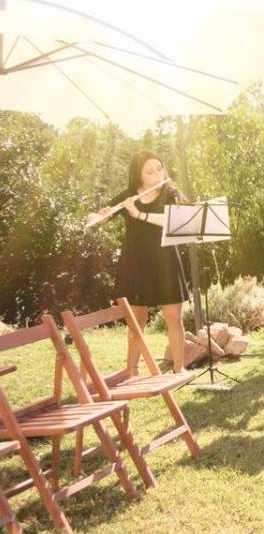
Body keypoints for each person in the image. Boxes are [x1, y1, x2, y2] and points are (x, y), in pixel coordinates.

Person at [89, 151, 189, 372]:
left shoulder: (170, 192)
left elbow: (173, 221)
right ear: (138, 174)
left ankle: (179, 369)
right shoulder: (128, 196)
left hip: (166, 262)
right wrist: (98, 216)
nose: (156, 174)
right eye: (150, 171)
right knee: (137, 320)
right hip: (135, 263)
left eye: (159, 169)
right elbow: (96, 218)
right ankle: (131, 370)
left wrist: (139, 215)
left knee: (173, 317)